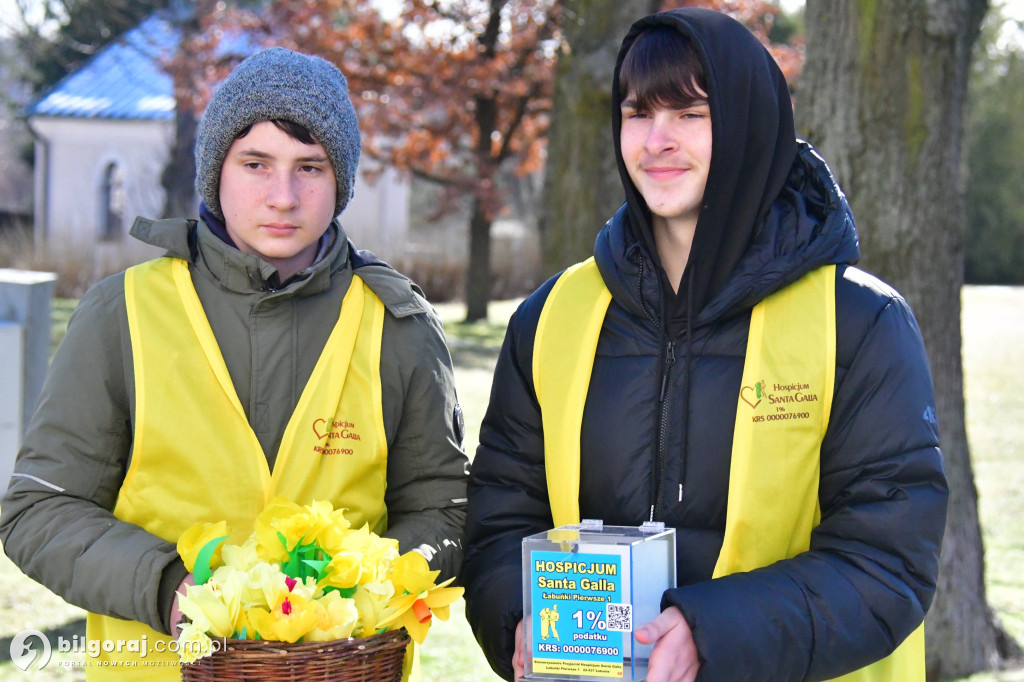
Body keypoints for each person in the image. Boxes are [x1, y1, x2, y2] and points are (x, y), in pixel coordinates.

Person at [462, 8, 947, 682]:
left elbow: (887, 563)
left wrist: (708, 634)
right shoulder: (551, 317)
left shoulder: (860, 322)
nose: (657, 139)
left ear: (749, 125)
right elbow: (498, 520)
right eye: (638, 112)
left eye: (691, 114)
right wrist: (517, 617)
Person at [0, 47, 469, 678]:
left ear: (342, 182)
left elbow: (444, 507)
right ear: (215, 171)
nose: (283, 196)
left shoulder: (399, 325)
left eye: (311, 167)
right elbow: (39, 508)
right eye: (255, 164)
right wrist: (167, 587)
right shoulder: (122, 312)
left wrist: (365, 595)